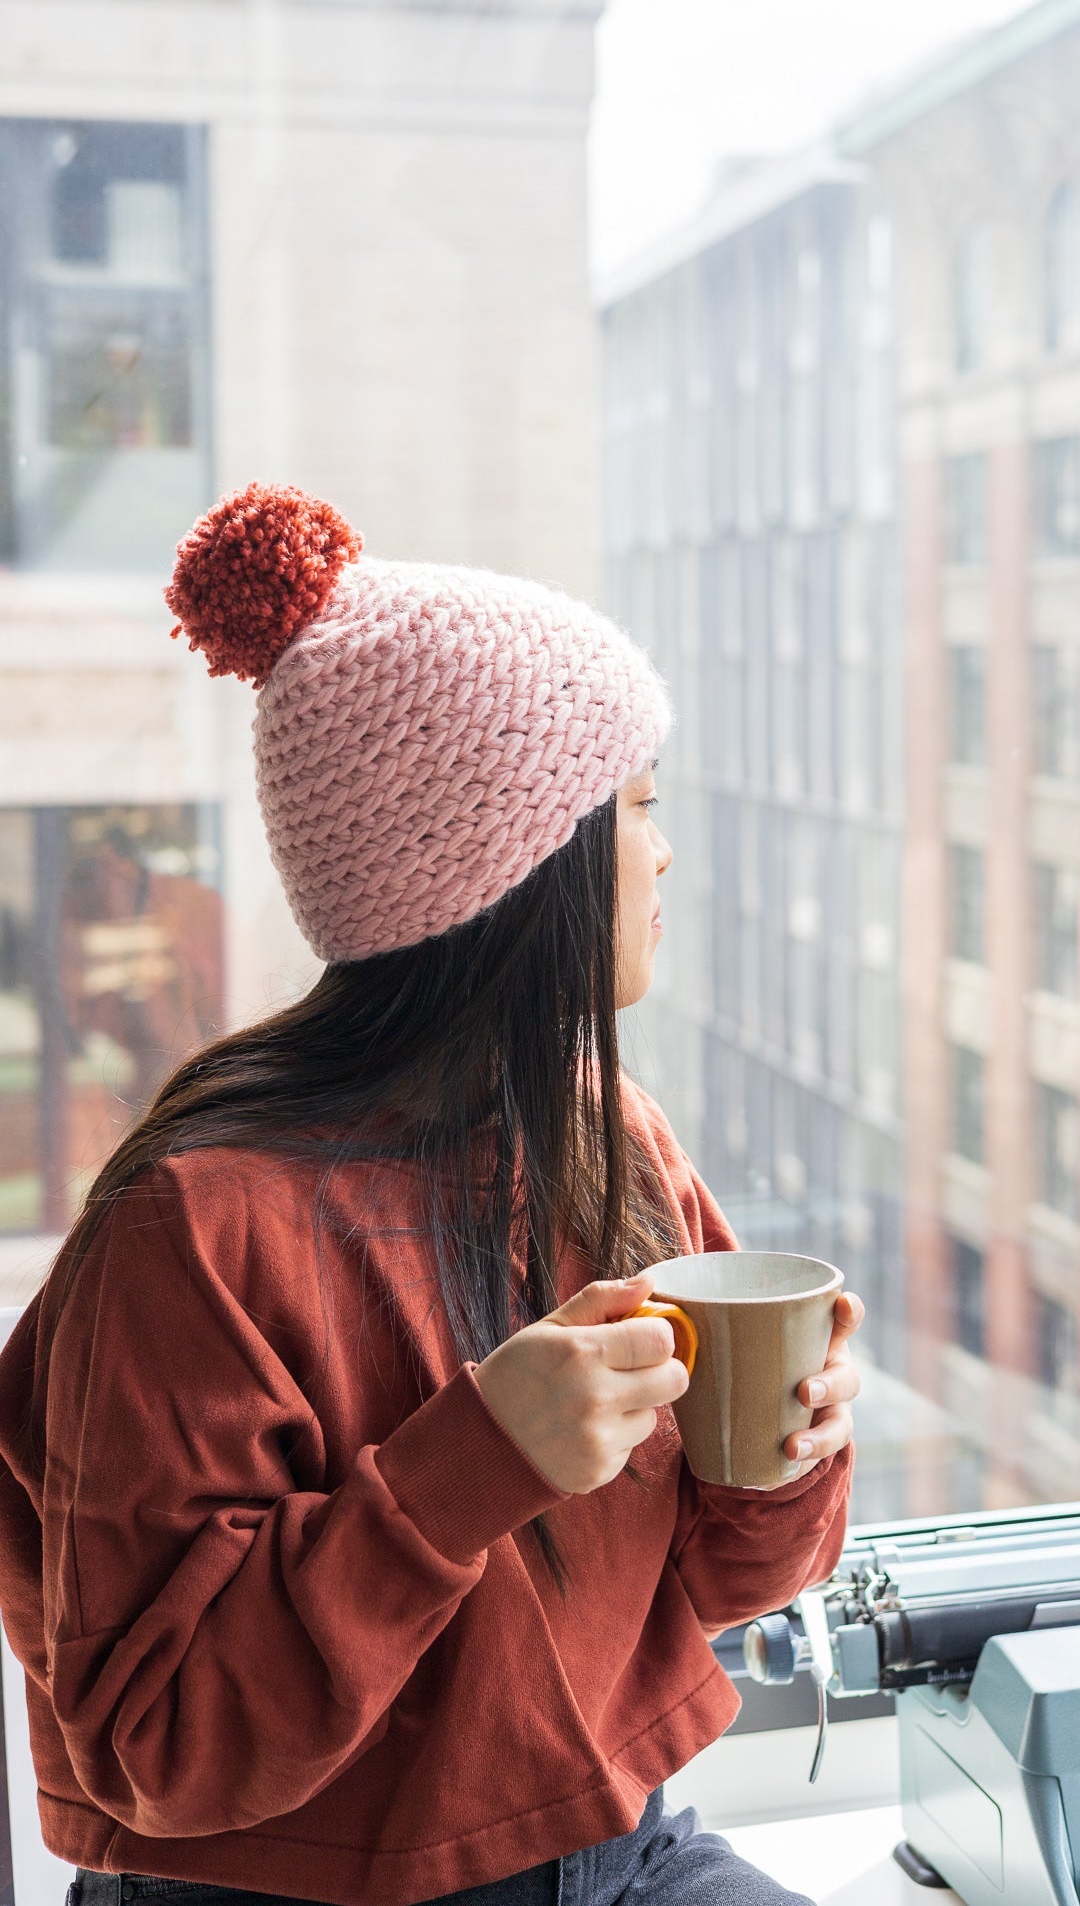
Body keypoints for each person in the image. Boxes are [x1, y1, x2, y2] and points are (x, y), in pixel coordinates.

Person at [0, 484, 861, 1906]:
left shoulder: (605, 1142)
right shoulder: (194, 1233)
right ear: (509, 875)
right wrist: (466, 1470)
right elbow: (155, 1751)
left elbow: (722, 1584)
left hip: (621, 1849)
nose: (662, 856)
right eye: (633, 810)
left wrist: (793, 1447)